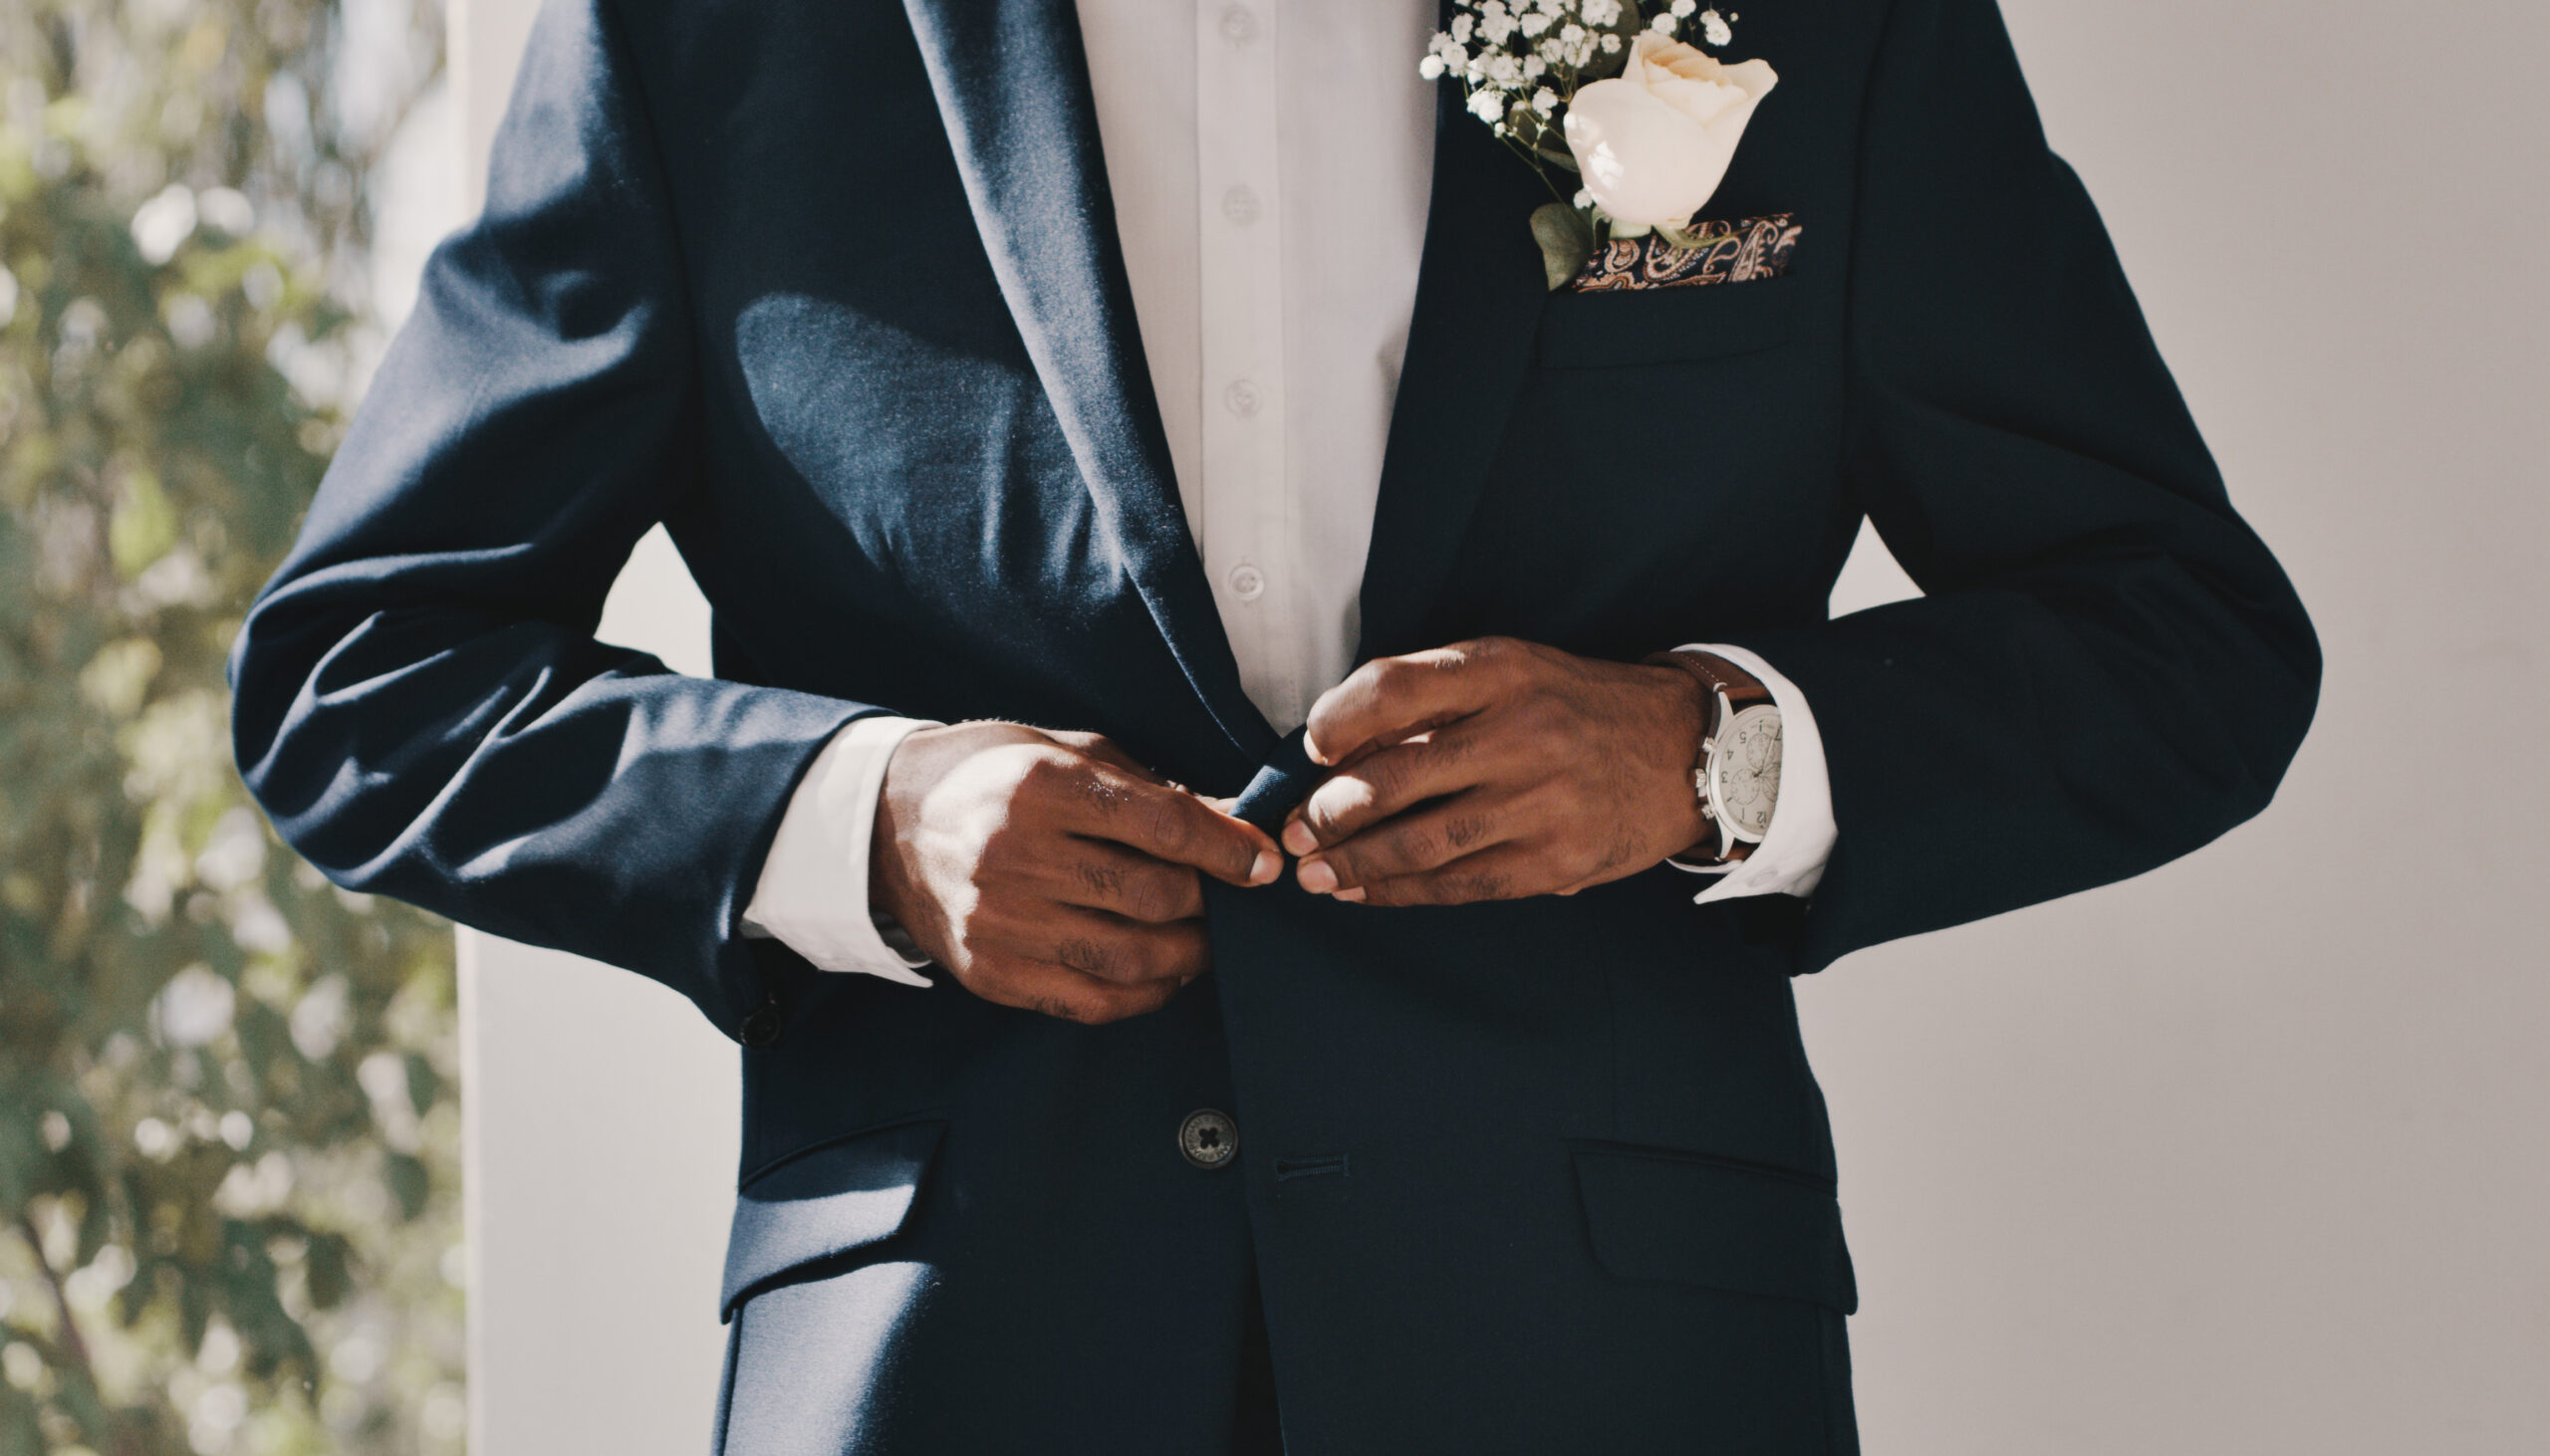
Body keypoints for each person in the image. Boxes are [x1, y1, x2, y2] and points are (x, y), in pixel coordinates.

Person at [229, 0, 2317, 1449]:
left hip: (1611, 1371)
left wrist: (1706, 755)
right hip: (947, 1367)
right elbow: (364, 671)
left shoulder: (1804, 10)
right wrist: (855, 822)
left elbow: (2183, 640)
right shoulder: (715, 36)